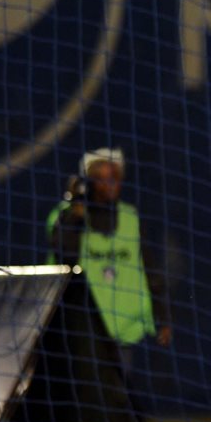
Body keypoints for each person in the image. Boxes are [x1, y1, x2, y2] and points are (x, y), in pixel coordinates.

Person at [48, 147, 173, 377]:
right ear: (89, 182)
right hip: (82, 329)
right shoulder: (67, 217)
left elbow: (150, 269)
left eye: (115, 177)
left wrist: (162, 316)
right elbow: (62, 258)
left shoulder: (130, 217)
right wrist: (74, 214)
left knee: (116, 393)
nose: (111, 184)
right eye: (102, 179)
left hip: (122, 330)